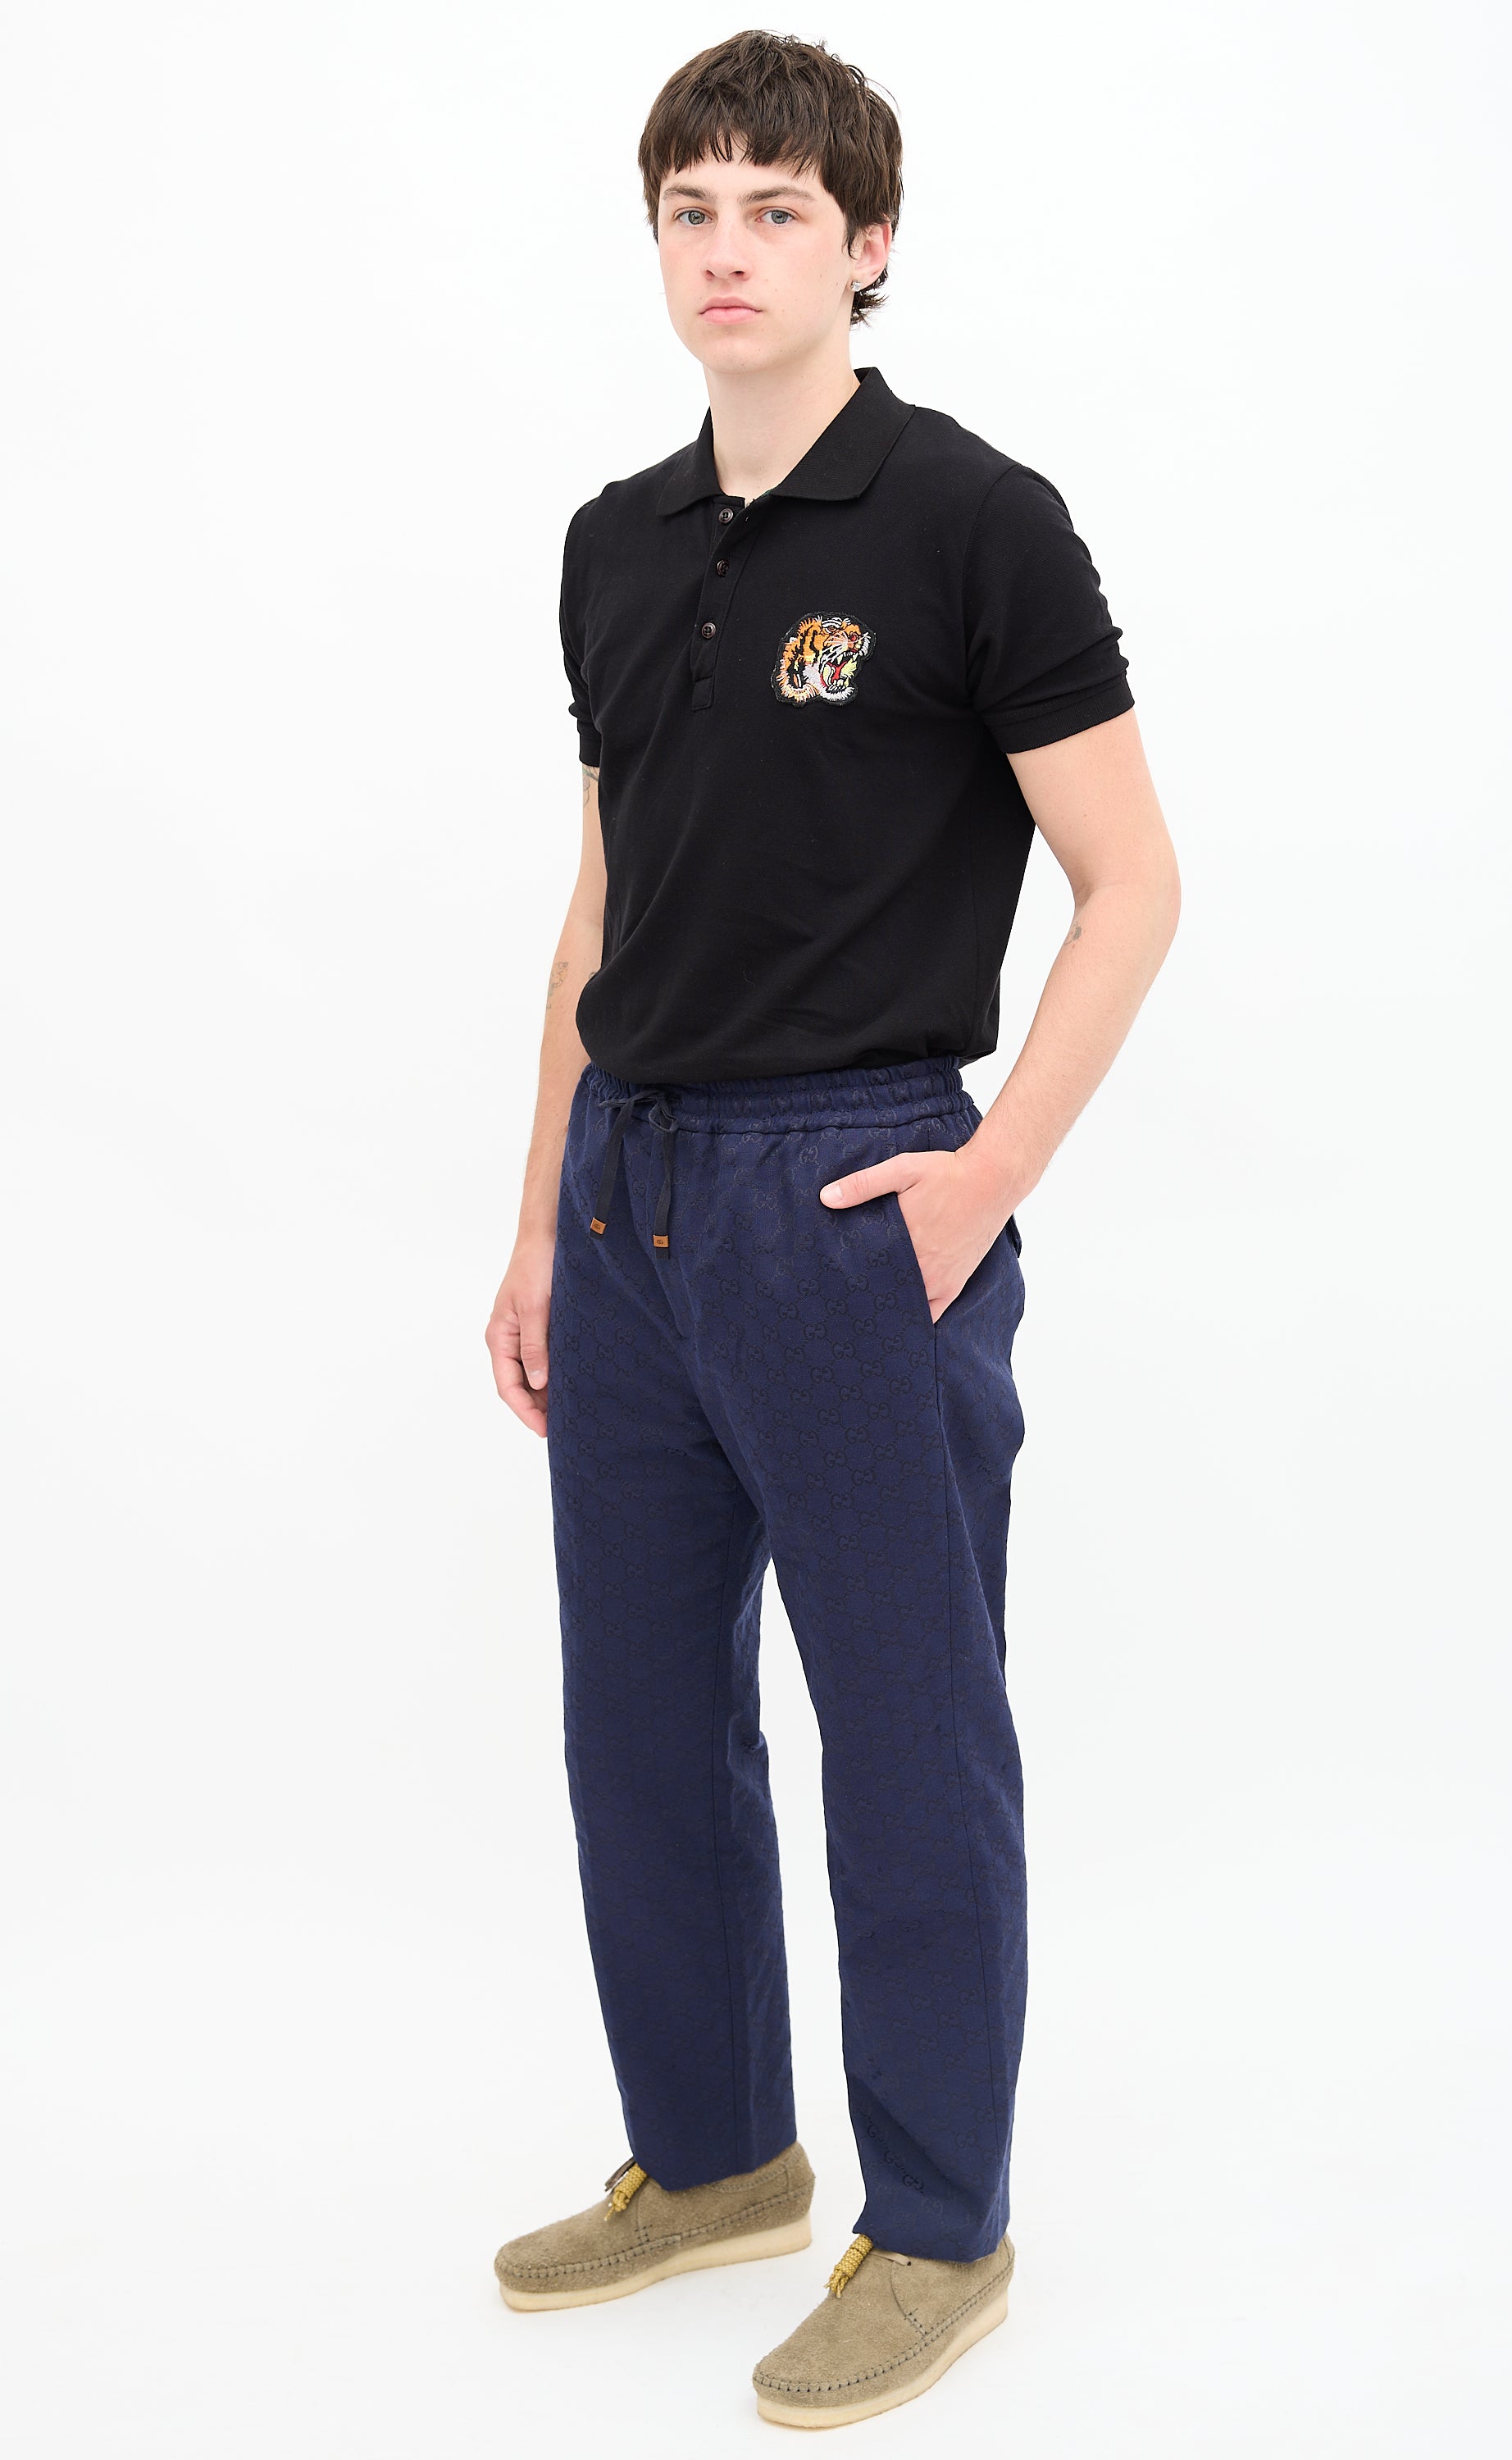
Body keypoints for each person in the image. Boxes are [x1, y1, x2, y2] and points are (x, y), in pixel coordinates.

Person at [484, 27, 1180, 2430]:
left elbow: (1131, 881)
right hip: (632, 1199)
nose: (728, 252)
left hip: (853, 1190)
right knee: (638, 1721)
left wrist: (985, 1182)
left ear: (866, 246)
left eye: (776, 210)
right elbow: (601, 910)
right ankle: (715, 2161)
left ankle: (942, 2228)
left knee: (906, 1732)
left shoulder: (973, 521)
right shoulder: (614, 542)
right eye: (691, 210)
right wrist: (539, 1220)